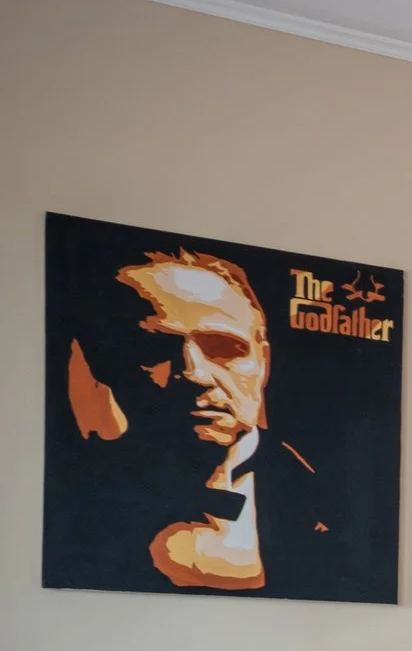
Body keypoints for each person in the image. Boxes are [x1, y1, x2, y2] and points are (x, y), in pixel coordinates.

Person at [48, 244, 345, 595]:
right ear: (112, 365)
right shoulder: (81, 511)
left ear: (263, 360)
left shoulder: (333, 502)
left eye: (223, 348)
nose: (195, 373)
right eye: (154, 348)